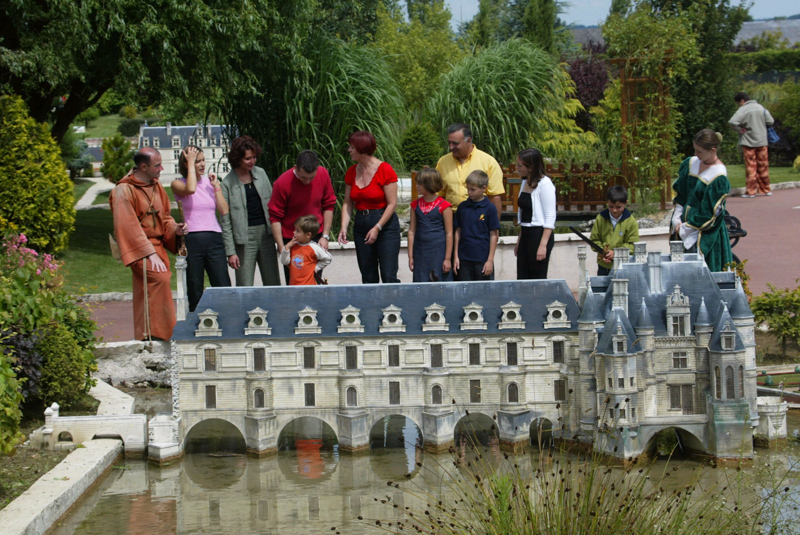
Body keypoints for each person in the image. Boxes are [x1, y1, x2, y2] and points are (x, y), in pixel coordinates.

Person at [110, 147, 187, 340]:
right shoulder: (123, 190)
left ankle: (149, 334)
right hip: (139, 248)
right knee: (158, 279)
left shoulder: (156, 186)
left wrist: (175, 229)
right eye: (157, 165)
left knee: (153, 285)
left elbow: (165, 217)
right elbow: (126, 226)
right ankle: (159, 334)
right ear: (143, 167)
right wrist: (148, 252)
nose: (161, 168)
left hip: (156, 247)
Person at [170, 145, 231, 311]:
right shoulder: (177, 183)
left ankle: (227, 320)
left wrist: (216, 186)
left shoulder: (209, 182)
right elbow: (190, 189)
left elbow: (224, 210)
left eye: (203, 160)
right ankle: (196, 324)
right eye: (197, 161)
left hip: (214, 238)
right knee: (195, 286)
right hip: (193, 239)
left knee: (222, 284)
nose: (202, 164)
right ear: (187, 164)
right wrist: (190, 163)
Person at [337, 131, 401, 284]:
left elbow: (392, 204)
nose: (349, 150)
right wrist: (343, 227)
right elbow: (347, 202)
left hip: (384, 225)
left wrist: (377, 227)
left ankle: (392, 306)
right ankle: (372, 307)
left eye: (352, 147)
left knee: (388, 274)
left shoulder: (385, 169)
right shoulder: (352, 172)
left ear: (362, 149)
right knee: (368, 275)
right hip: (361, 223)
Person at [220, 135, 281, 287]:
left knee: (272, 282)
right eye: (248, 158)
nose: (252, 161)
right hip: (243, 239)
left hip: (266, 235)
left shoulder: (261, 173)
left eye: (254, 157)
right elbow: (225, 221)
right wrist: (230, 251)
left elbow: (273, 206)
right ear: (237, 158)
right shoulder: (227, 183)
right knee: (244, 284)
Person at [268, 150, 336, 285]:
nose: (308, 181)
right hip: (292, 239)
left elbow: (329, 205)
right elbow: (275, 217)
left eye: (311, 177)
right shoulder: (282, 183)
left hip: (315, 236)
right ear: (296, 168)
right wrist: (282, 247)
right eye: (303, 177)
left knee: (314, 281)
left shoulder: (323, 174)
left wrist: (325, 236)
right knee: (294, 281)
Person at [671, 129, 733, 272]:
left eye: (700, 151)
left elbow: (709, 213)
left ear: (713, 150)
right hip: (681, 226)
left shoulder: (719, 176)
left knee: (702, 273)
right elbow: (682, 193)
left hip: (704, 231)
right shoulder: (691, 163)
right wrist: (677, 218)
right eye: (695, 150)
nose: (696, 155)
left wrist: (686, 228)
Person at [435, 123, 505, 216]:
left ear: (468, 141)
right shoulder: (443, 162)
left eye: (455, 143)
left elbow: (495, 197)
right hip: (450, 217)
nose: (451, 147)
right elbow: (439, 194)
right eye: (449, 143)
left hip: (478, 217)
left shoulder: (488, 162)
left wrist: (494, 227)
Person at [514, 148, 556, 279]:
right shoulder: (524, 183)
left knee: (537, 276)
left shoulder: (545, 184)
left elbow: (550, 215)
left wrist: (543, 245)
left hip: (538, 235)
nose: (517, 168)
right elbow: (524, 216)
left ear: (531, 167)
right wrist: (519, 241)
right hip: (526, 234)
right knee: (522, 276)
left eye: (520, 165)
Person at [408, 168, 453, 282]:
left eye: (419, 184)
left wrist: (447, 258)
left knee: (439, 283)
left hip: (439, 252)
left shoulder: (444, 206)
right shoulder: (415, 205)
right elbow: (412, 231)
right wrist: (410, 256)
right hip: (421, 253)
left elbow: (449, 233)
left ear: (429, 184)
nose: (416, 186)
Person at [454, 170, 500, 281]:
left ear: (483, 188)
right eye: (468, 189)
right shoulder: (463, 207)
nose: (469, 192)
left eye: (473, 189)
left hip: (482, 258)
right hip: (464, 257)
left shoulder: (490, 208)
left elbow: (494, 235)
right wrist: (456, 256)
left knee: (484, 292)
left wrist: (490, 260)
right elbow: (458, 231)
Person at [729, 91, 775, 197]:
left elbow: (732, 122)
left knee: (751, 167)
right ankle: (766, 189)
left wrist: (739, 129)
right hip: (762, 140)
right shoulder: (761, 108)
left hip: (748, 141)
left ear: (742, 100)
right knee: (763, 165)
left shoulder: (743, 110)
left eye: (738, 102)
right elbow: (770, 121)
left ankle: (751, 191)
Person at [589, 185, 639, 276]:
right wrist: (604, 252)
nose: (614, 210)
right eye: (611, 206)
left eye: (618, 207)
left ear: (626, 203)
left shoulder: (631, 221)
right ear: (607, 202)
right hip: (603, 266)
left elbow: (633, 245)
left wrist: (615, 253)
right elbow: (594, 240)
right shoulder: (600, 218)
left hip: (623, 265)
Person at [279, 215, 332, 286]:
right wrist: (287, 247)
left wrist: (316, 268)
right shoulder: (292, 246)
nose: (294, 232)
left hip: (309, 286)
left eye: (298, 231)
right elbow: (284, 262)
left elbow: (328, 258)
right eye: (295, 229)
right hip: (293, 286)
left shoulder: (314, 247)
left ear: (308, 235)